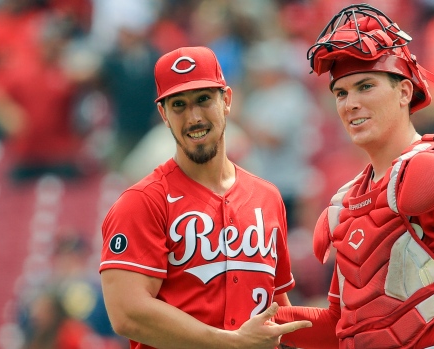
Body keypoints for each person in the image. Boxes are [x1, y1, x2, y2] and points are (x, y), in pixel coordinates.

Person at [274, 4, 434, 349]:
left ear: (404, 92)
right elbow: (344, 327)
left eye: (365, 86)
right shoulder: (345, 201)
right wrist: (267, 322)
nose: (350, 103)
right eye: (341, 93)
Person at [99, 46, 311, 349]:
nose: (194, 117)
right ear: (163, 114)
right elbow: (128, 314)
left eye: (203, 100)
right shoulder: (142, 202)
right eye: (179, 105)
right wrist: (230, 342)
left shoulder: (267, 197)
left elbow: (277, 310)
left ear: (226, 100)